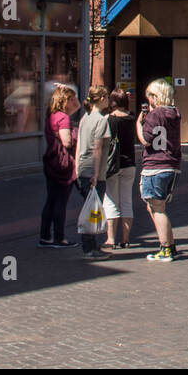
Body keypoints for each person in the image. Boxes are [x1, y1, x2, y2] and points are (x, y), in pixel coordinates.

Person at [138, 78, 182, 263]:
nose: (149, 100)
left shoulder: (155, 115)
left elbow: (146, 140)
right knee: (156, 206)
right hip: (171, 165)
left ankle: (166, 248)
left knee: (157, 208)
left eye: (150, 96)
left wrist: (139, 124)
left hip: (155, 166)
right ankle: (169, 245)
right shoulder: (174, 113)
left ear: (155, 96)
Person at [74, 85, 113, 259]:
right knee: (93, 210)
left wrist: (76, 167)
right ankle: (90, 249)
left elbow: (79, 144)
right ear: (103, 99)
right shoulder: (101, 120)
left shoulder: (85, 117)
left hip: (83, 167)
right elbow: (97, 148)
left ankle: (90, 247)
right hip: (94, 170)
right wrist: (96, 174)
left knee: (88, 207)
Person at [39, 84, 78, 248]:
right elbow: (67, 142)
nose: (74, 103)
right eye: (71, 99)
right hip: (63, 164)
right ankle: (59, 238)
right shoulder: (63, 118)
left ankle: (45, 236)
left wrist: (67, 88)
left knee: (51, 199)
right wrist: (75, 134)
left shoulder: (52, 115)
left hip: (51, 161)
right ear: (65, 100)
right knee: (60, 201)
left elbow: (78, 105)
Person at [103, 90, 137, 250]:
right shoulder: (132, 118)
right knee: (126, 201)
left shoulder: (108, 119)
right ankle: (125, 238)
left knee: (111, 200)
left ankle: (111, 239)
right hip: (129, 163)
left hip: (112, 164)